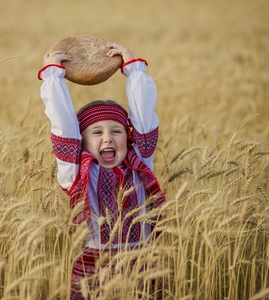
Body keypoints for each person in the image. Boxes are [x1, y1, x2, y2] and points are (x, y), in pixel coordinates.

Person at [38, 42, 166, 299]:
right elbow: (63, 125)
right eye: (97, 133)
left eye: (116, 131)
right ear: (81, 141)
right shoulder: (77, 172)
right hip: (93, 270)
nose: (108, 139)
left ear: (127, 137)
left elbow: (144, 118)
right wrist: (53, 77)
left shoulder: (138, 161)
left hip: (141, 265)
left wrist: (133, 70)